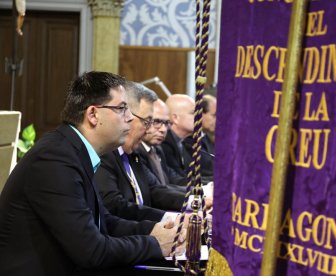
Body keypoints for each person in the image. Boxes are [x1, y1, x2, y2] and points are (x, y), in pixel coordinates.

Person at [0, 72, 183, 275]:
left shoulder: (72, 149)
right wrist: (155, 244)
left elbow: (103, 221)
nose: (130, 117)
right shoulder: (54, 158)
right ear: (93, 114)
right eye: (122, 108)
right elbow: (92, 251)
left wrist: (153, 229)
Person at [95, 82, 187, 213]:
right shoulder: (104, 154)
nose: (148, 130)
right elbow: (116, 207)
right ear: (127, 117)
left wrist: (195, 201)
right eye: (147, 122)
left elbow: (155, 190)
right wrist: (163, 223)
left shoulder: (134, 154)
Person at [161, 94, 195, 178]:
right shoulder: (163, 142)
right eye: (193, 113)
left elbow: (191, 175)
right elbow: (176, 179)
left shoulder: (186, 142)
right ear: (175, 118)